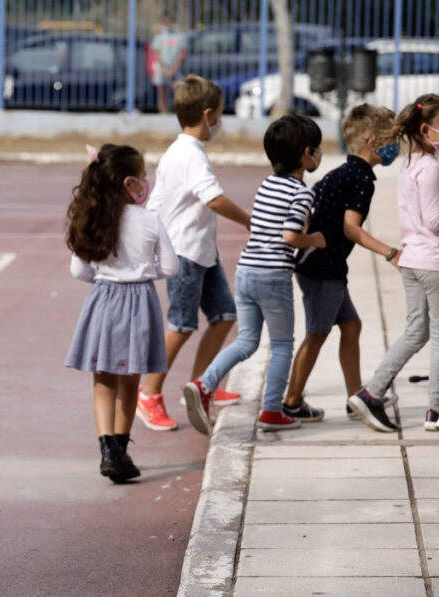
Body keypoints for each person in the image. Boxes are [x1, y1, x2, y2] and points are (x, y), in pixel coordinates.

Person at [184, 114, 327, 435]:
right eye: (316, 149)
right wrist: (314, 240)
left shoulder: (266, 184)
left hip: (246, 271)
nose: (319, 155)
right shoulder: (303, 193)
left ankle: (204, 384)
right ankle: (272, 411)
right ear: (306, 154)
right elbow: (290, 236)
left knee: (247, 340)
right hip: (273, 275)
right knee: (281, 345)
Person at [138, 75, 251, 432]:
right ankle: (148, 393)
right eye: (219, 114)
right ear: (207, 115)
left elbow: (157, 200)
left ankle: (203, 386)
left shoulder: (181, 152)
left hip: (203, 252)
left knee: (224, 314)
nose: (220, 121)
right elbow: (213, 198)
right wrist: (251, 221)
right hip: (184, 253)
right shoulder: (189, 154)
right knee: (181, 325)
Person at [65, 143, 179, 482]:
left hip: (103, 300)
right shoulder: (149, 221)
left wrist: (104, 277)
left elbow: (78, 270)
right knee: (130, 380)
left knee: (103, 381)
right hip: (140, 300)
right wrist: (144, 272)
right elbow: (170, 267)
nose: (147, 182)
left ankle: (107, 451)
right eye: (144, 176)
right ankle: (121, 448)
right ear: (131, 183)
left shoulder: (95, 218)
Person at [283, 104, 401, 429]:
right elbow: (351, 227)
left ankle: (356, 398)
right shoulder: (362, 180)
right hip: (324, 269)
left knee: (351, 326)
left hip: (321, 266)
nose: (396, 148)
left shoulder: (340, 173)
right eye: (392, 140)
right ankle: (291, 403)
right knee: (316, 335)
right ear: (373, 142)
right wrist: (389, 252)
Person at [349, 94, 439, 433]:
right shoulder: (430, 169)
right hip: (432, 262)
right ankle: (436, 410)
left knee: (416, 332)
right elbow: (433, 220)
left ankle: (372, 392)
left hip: (414, 261)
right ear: (426, 129)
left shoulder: (411, 164)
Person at [150, 11, 187, 114]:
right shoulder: (159, 37)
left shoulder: (179, 36)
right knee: (162, 92)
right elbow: (156, 53)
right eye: (164, 20)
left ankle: (178, 112)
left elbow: (182, 52)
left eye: (168, 20)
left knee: (178, 91)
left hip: (176, 69)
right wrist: (164, 68)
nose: (166, 23)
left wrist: (175, 67)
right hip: (163, 69)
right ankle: (163, 113)